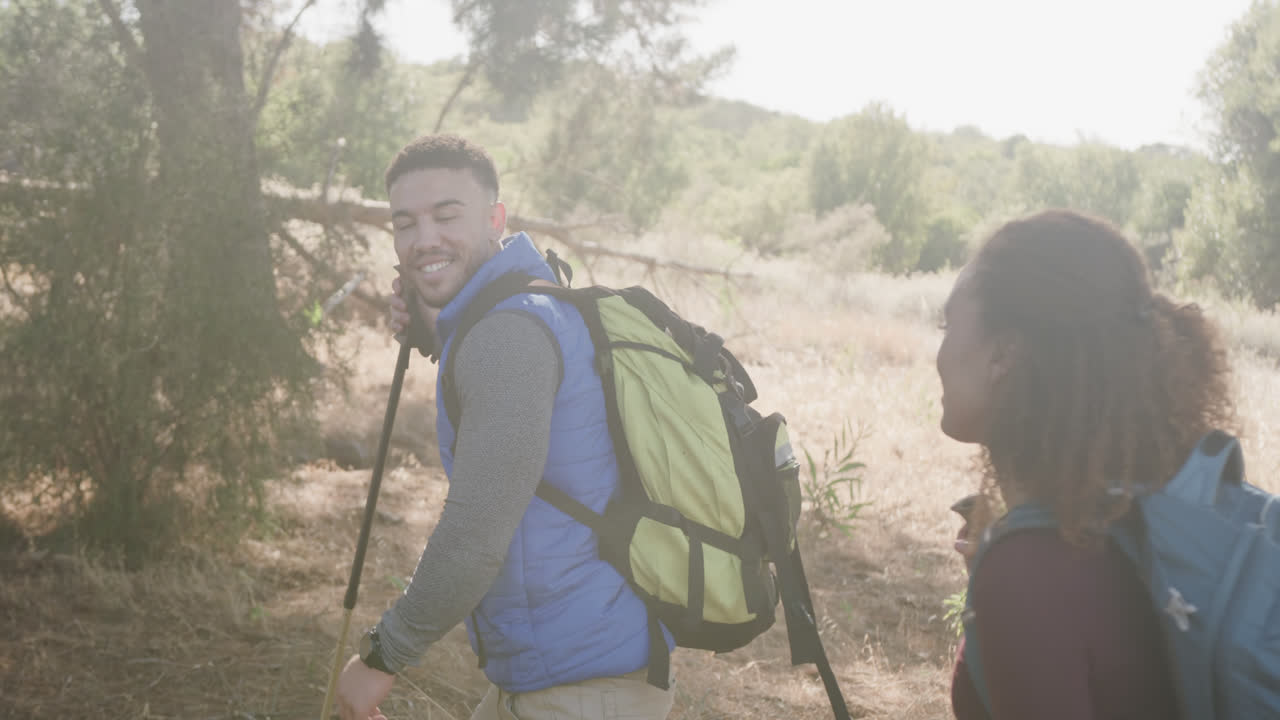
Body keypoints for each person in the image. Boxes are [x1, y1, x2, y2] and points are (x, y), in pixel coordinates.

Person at [335, 134, 676, 720]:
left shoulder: (505, 337)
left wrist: (381, 657)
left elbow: (475, 532)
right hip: (569, 672)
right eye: (405, 224)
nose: (424, 240)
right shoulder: (528, 305)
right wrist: (436, 330)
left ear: (496, 218)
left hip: (585, 689)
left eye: (447, 215)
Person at [936, 209, 1235, 720]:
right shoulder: (1143, 522)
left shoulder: (1032, 571)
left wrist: (1016, 582)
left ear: (1003, 352)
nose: (938, 354)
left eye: (948, 325)